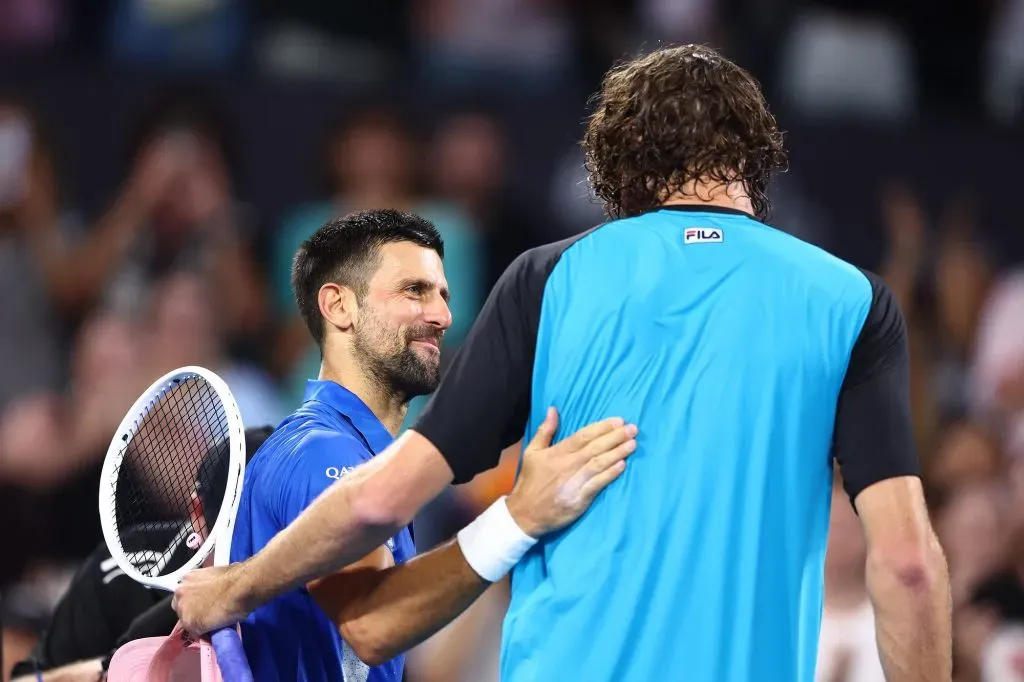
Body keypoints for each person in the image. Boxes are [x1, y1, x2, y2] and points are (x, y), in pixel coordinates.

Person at [173, 45, 952, 681]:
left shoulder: (551, 281)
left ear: (622, 165)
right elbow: (909, 566)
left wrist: (235, 588)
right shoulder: (850, 300)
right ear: (754, 159)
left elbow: (379, 503)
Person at [200, 209, 635, 681]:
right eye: (415, 291)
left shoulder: (351, 451)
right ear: (339, 306)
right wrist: (519, 516)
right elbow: (373, 624)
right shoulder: (322, 450)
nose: (444, 316)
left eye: (444, 295)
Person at [10, 426, 276, 682]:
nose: (246, 557)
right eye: (234, 536)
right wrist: (113, 671)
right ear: (197, 515)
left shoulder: (308, 588)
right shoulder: (122, 572)